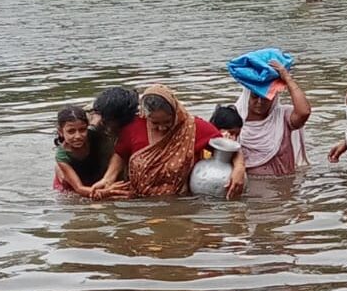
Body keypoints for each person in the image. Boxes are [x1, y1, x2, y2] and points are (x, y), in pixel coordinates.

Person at [92, 85, 246, 200]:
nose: (162, 127)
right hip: (138, 199)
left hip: (179, 201)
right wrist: (108, 179)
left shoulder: (194, 127)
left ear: (176, 111)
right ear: (146, 115)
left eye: (167, 121)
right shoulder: (134, 126)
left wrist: (239, 168)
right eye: (155, 123)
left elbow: (229, 147)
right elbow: (121, 153)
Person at [234, 60, 311, 177]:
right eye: (255, 96)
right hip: (250, 184)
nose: (259, 102)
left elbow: (304, 112)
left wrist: (287, 79)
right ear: (247, 95)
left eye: (265, 98)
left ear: (274, 98)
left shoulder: (283, 117)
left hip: (283, 186)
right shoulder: (233, 120)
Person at [52, 105, 113, 197]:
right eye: (71, 131)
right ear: (60, 132)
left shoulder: (94, 134)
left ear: (87, 127)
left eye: (82, 130)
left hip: (90, 175)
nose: (78, 136)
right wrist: (109, 191)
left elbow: (98, 116)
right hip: (71, 185)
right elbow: (79, 188)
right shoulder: (62, 156)